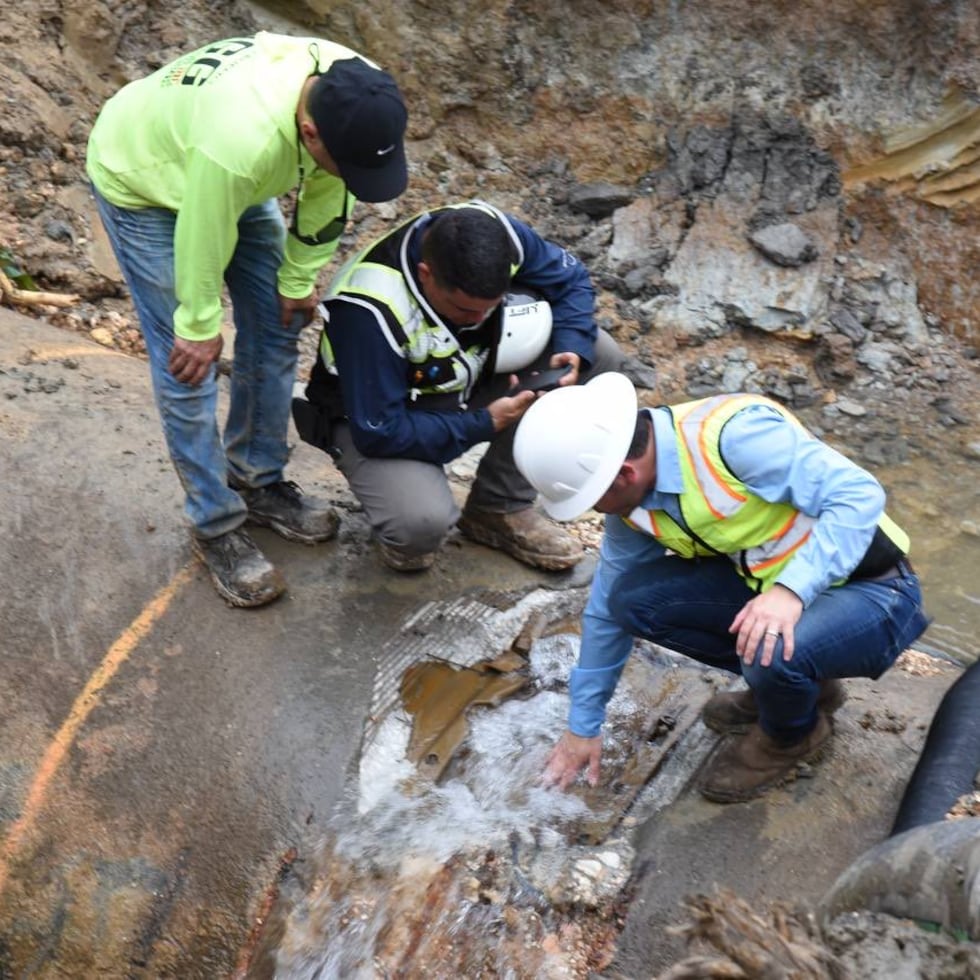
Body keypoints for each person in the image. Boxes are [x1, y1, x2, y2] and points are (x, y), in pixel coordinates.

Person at [86, 33, 409, 607]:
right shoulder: (243, 137)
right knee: (188, 363)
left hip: (227, 170)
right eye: (343, 160)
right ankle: (215, 525)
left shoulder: (356, 91)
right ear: (310, 134)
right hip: (144, 179)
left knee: (280, 323)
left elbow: (331, 190)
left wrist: (297, 280)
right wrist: (199, 322)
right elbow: (204, 228)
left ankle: (258, 481)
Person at [513, 373, 930, 802]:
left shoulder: (736, 439)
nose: (596, 510)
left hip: (874, 590)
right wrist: (583, 726)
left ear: (622, 474)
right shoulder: (632, 501)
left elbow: (859, 495)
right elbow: (605, 609)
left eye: (591, 498)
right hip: (772, 588)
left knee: (770, 651)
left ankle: (792, 736)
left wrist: (790, 593)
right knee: (631, 602)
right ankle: (800, 689)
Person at [293, 200, 627, 571]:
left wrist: (571, 346)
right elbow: (381, 431)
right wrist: (483, 423)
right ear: (425, 274)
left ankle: (497, 507)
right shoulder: (368, 310)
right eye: (465, 310)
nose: (479, 318)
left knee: (598, 353)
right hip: (376, 412)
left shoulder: (499, 237)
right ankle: (403, 509)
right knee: (419, 525)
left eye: (491, 306)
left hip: (463, 375)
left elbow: (572, 279)